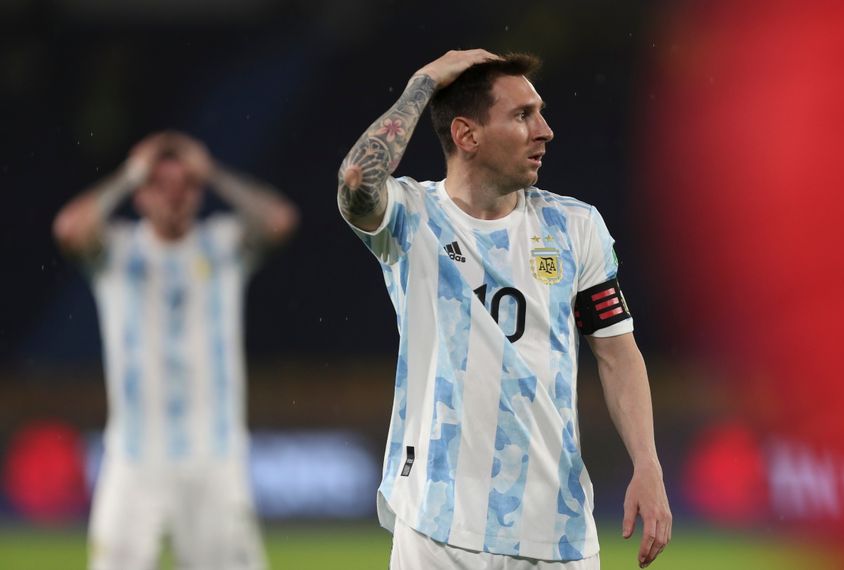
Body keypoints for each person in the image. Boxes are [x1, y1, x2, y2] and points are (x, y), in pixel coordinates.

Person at [337, 50, 671, 569]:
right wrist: (424, 82)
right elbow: (358, 176)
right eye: (522, 116)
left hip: (555, 530)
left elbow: (617, 353)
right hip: (436, 525)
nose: (545, 130)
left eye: (539, 112)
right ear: (467, 136)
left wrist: (647, 463)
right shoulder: (410, 218)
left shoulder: (574, 227)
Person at [53, 131, 299, 570]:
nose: (174, 196)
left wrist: (215, 172)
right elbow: (69, 229)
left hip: (214, 458)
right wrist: (129, 174)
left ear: (199, 192)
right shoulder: (117, 250)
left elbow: (279, 219)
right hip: (134, 459)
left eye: (186, 184)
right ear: (141, 196)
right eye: (160, 185)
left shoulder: (223, 245)